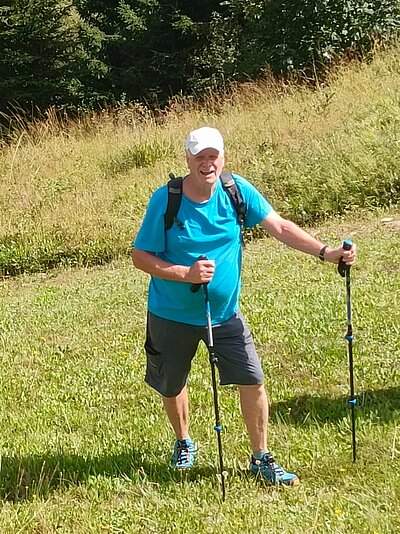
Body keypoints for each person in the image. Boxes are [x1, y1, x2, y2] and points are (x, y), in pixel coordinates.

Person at [132, 126, 356, 486]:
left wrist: (326, 253)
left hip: (224, 315)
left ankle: (261, 457)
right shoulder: (166, 199)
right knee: (171, 385)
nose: (208, 164)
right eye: (200, 157)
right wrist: (184, 273)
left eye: (213, 156)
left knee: (252, 379)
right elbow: (140, 256)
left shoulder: (236, 191)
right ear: (187, 159)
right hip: (170, 313)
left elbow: (280, 227)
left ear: (222, 157)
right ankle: (183, 442)